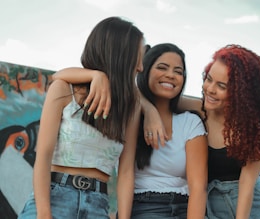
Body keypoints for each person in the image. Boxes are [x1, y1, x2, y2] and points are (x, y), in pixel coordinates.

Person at [67, 44, 260, 219]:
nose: (210, 90)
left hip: (252, 207)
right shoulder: (201, 110)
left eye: (221, 86)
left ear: (240, 93)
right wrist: (150, 111)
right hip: (213, 208)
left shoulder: (256, 128)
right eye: (208, 80)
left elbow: (247, 184)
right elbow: (143, 90)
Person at [52, 43, 208, 219]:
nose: (171, 75)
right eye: (162, 67)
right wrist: (147, 109)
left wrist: (149, 109)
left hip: (182, 205)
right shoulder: (127, 114)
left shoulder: (190, 122)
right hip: (142, 206)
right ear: (144, 69)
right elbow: (58, 76)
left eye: (178, 71)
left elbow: (198, 188)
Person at [18, 16, 145, 219]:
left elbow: (126, 172)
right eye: (138, 57)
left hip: (97, 206)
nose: (140, 67)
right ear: (120, 55)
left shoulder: (131, 105)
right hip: (53, 199)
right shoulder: (63, 88)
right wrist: (44, 214)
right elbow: (43, 155)